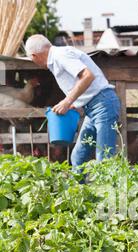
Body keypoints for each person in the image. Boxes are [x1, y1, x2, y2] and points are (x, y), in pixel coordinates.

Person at [25, 35, 120, 168]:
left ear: (34, 55)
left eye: (31, 58)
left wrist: (67, 102)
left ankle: (110, 188)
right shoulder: (56, 60)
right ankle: (80, 188)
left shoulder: (60, 55)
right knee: (78, 157)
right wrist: (76, 104)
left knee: (104, 157)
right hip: (92, 108)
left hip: (103, 104)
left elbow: (88, 76)